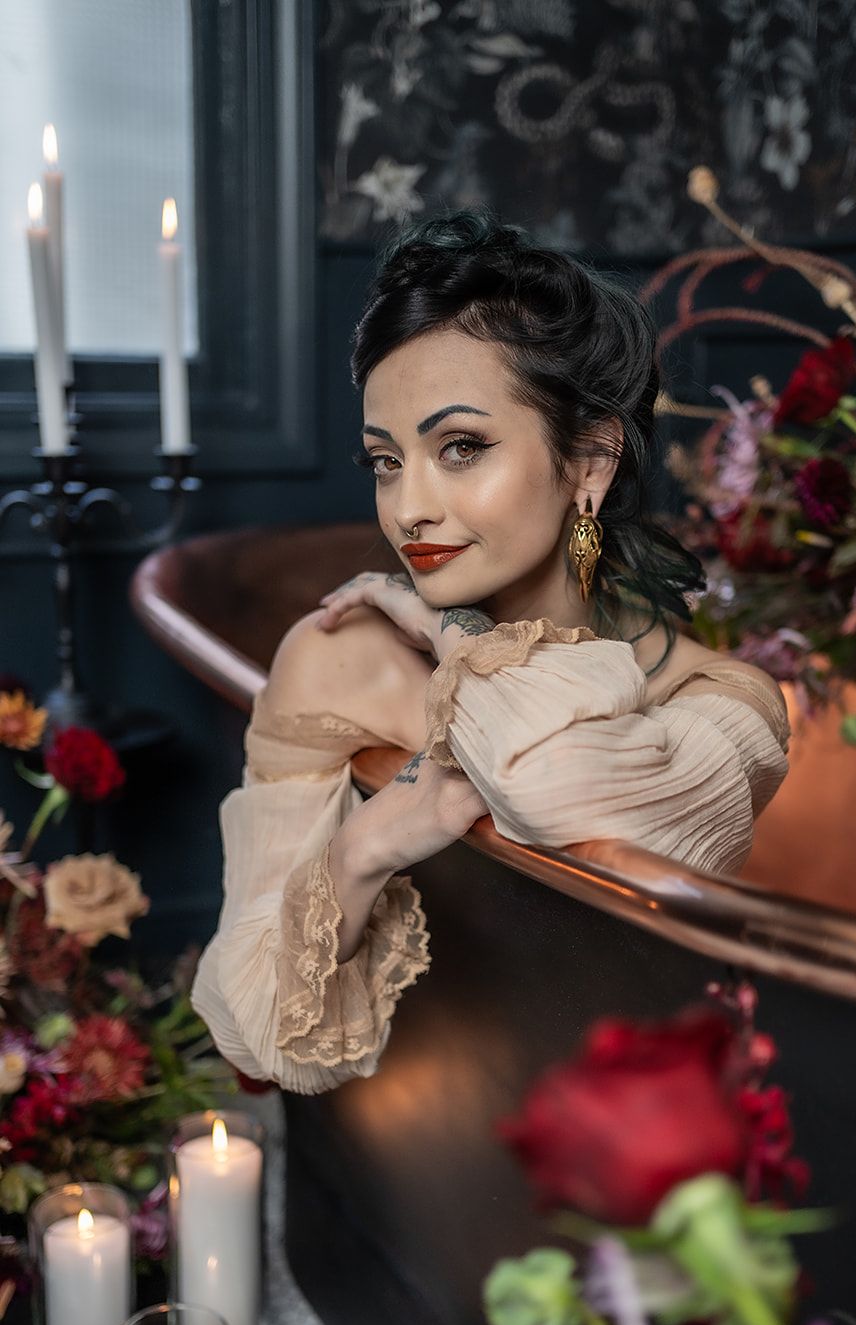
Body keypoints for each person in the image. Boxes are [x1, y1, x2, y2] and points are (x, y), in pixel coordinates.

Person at [191, 212, 789, 1094]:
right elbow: (254, 1035)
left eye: (460, 448)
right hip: (424, 1150)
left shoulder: (724, 694)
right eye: (386, 461)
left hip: (655, 1169)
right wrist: (364, 848)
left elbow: (552, 781)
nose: (408, 510)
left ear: (588, 459)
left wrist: (450, 632)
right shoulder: (338, 661)